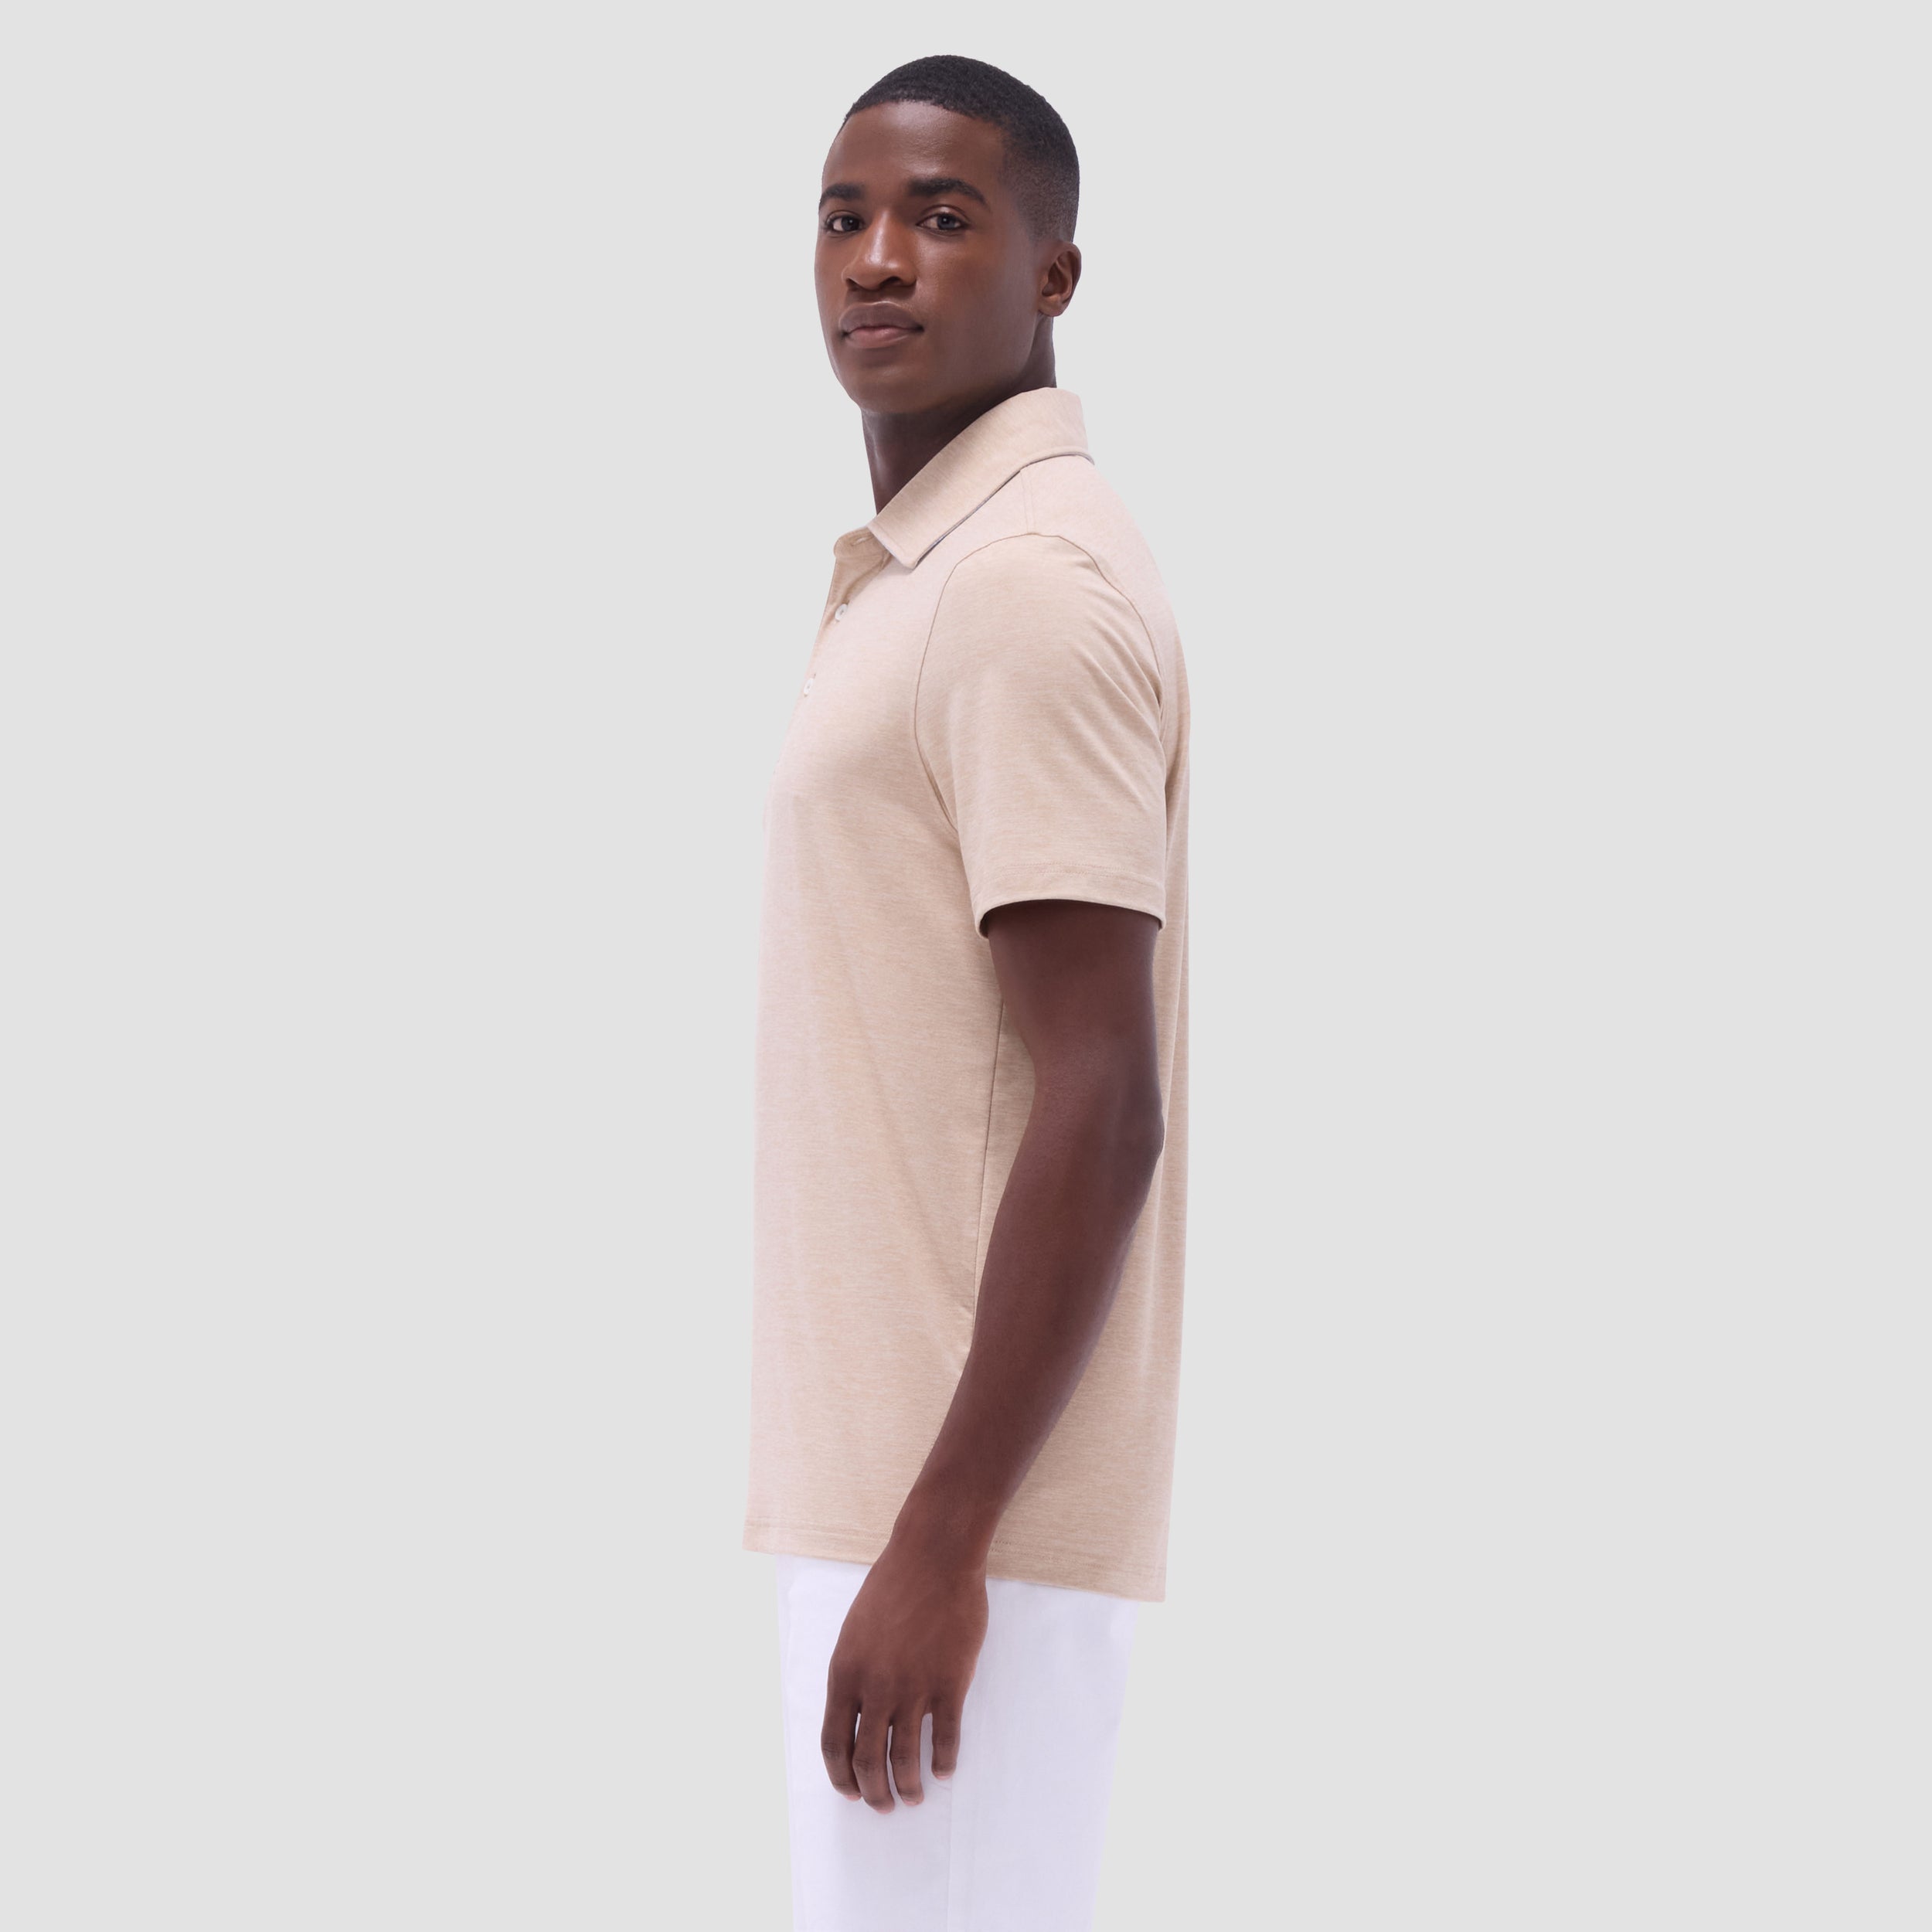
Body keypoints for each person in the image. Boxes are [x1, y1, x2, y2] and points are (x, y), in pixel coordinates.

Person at [742, 53, 1192, 1930]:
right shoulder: (926, 576)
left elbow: (1103, 1092)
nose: (876, 259)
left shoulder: (1020, 589)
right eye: (843, 217)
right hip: (898, 1498)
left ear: (1053, 273)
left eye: (940, 218)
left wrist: (939, 1536)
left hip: (956, 1515)